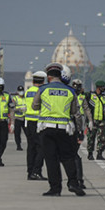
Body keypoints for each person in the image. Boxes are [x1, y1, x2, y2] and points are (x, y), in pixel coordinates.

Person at [31, 62, 85, 197]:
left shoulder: (43, 89)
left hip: (47, 130)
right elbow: (74, 111)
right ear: (60, 76)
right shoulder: (70, 91)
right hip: (64, 129)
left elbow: (34, 106)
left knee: (51, 159)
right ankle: (73, 183)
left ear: (49, 77)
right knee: (68, 157)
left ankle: (55, 188)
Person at [24, 71, 47, 180]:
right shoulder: (42, 91)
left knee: (31, 147)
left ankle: (30, 171)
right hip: (39, 122)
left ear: (33, 81)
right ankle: (37, 171)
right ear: (43, 81)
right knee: (41, 148)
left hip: (28, 121)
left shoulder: (28, 92)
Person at [72, 78, 90, 189]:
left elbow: (86, 109)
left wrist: (90, 121)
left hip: (76, 126)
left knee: (74, 155)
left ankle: (78, 179)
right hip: (70, 127)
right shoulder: (69, 95)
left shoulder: (81, 97)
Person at [86, 80, 105, 161]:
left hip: (101, 120)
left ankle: (99, 154)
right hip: (93, 120)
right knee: (91, 137)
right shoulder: (90, 95)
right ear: (98, 88)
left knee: (101, 138)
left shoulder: (104, 97)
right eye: (102, 87)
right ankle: (90, 154)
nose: (104, 89)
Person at [12, 85, 26, 151]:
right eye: (20, 91)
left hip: (25, 118)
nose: (21, 92)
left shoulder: (25, 98)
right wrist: (19, 109)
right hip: (17, 118)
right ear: (17, 91)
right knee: (17, 133)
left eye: (22, 91)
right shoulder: (15, 99)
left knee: (28, 133)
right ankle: (18, 145)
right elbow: (12, 108)